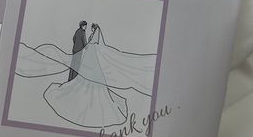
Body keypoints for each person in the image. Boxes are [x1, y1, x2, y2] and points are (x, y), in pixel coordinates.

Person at [15, 23, 157, 128]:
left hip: (90, 59)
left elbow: (88, 45)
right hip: (89, 59)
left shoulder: (91, 38)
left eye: (92, 28)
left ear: (95, 30)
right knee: (87, 79)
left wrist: (86, 48)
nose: (91, 29)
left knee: (88, 80)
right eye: (89, 28)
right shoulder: (86, 35)